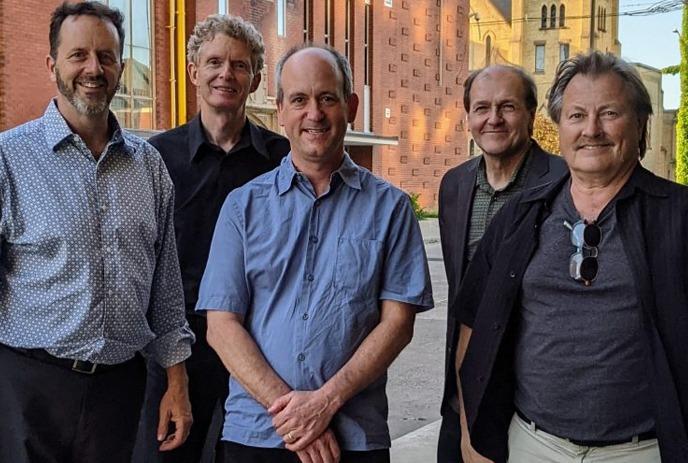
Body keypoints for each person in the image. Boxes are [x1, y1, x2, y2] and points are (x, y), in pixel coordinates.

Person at [196, 43, 434, 463]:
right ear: (280, 109)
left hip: (355, 439)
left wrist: (325, 403)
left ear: (351, 106)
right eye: (300, 100)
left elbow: (397, 325)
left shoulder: (391, 209)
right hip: (257, 434)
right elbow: (221, 326)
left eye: (327, 98)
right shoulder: (242, 207)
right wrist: (295, 415)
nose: (314, 114)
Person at [455, 51, 688, 463]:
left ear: (641, 125)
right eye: (577, 115)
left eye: (610, 113)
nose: (591, 130)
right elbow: (474, 327)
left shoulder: (678, 216)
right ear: (559, 127)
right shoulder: (519, 216)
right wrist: (470, 433)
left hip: (645, 450)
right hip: (531, 443)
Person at [0, 2, 194, 462]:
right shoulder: (9, 159)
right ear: (52, 65)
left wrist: (177, 382)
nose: (93, 68)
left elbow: (166, 290)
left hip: (118, 393)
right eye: (78, 55)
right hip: (27, 389)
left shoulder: (149, 167)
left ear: (121, 68)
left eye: (106, 57)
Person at [133, 14, 289, 463]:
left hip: (260, 350)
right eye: (215, 62)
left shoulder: (282, 161)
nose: (226, 74)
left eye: (240, 65)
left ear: (256, 78)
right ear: (193, 72)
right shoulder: (156, 158)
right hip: (174, 355)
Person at [436, 64, 565, 462]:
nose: (493, 118)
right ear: (468, 116)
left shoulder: (565, 181)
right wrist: (462, 412)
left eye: (507, 106)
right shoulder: (454, 186)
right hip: (466, 394)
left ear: (530, 114)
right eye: (482, 108)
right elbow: (464, 300)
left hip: (539, 404)